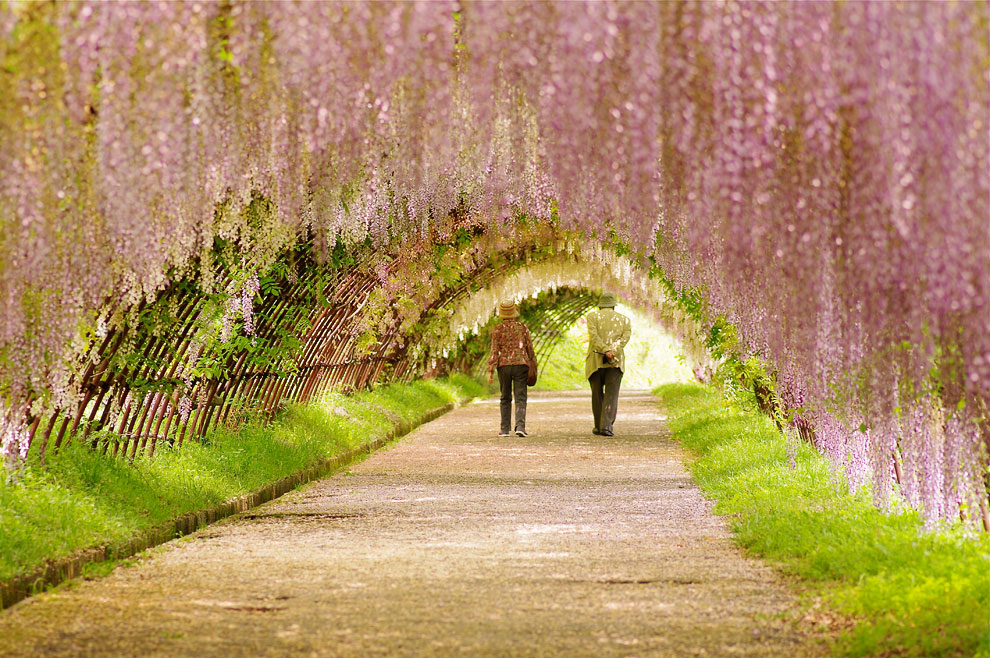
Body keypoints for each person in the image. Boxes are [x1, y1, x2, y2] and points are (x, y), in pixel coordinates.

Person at [487, 301, 537, 437]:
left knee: (505, 397)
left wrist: (490, 370)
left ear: (502, 315)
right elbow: (529, 348)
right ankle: (520, 426)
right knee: (520, 397)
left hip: (504, 366)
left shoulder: (497, 329)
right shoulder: (522, 328)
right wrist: (534, 363)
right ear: (514, 313)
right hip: (521, 365)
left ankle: (504, 429)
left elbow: (494, 351)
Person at [585, 292, 631, 437]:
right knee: (612, 394)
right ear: (613, 306)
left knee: (596, 394)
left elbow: (593, 336)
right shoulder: (625, 320)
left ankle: (599, 426)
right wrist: (612, 351)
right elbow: (625, 338)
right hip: (615, 362)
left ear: (600, 306)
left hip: (595, 360)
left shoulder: (592, 317)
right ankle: (606, 426)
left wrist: (604, 350)